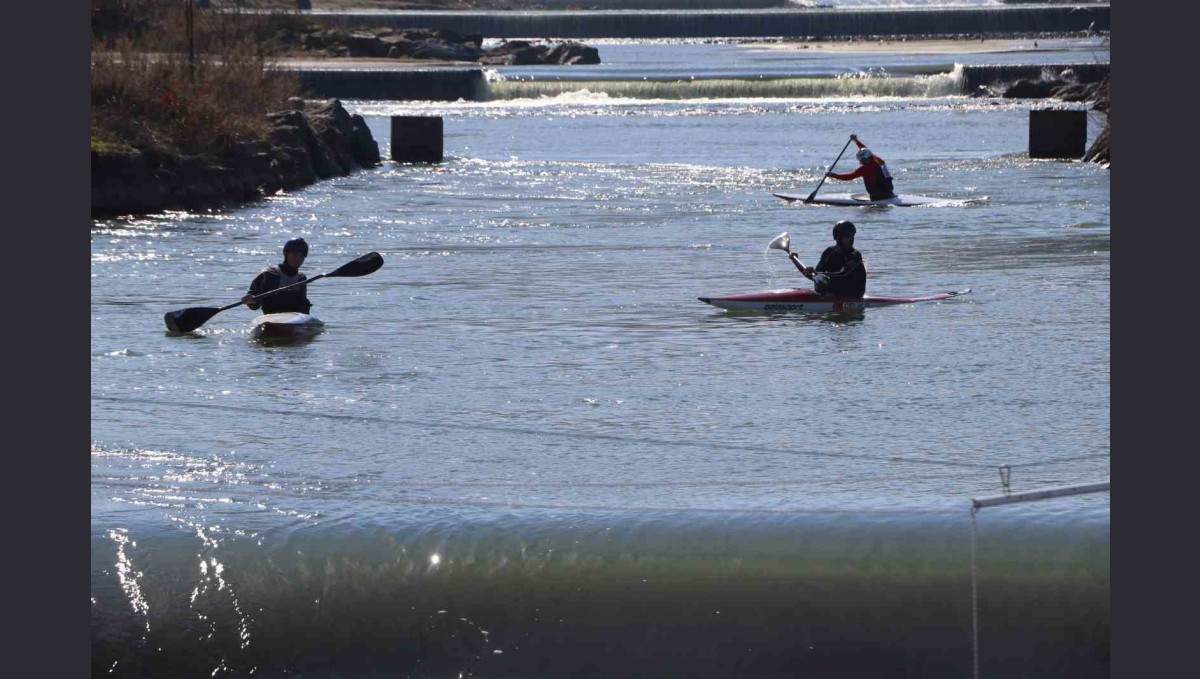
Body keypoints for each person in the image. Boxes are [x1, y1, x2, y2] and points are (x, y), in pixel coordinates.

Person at [241, 237, 313, 314]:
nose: (298, 258)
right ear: (286, 253)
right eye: (295, 254)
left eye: (302, 256)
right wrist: (250, 300)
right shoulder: (268, 274)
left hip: (295, 319)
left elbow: (303, 308)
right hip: (273, 319)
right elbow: (254, 306)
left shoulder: (301, 278)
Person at [801, 221, 867, 298]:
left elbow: (843, 274)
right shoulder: (829, 252)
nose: (851, 239)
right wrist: (794, 259)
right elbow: (815, 277)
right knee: (820, 280)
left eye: (852, 235)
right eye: (847, 236)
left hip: (853, 294)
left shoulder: (855, 255)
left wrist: (817, 273)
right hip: (835, 291)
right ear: (837, 237)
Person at [824, 134, 896, 200]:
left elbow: (848, 177)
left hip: (878, 197)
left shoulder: (864, 169)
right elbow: (865, 150)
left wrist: (833, 175)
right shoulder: (879, 160)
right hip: (889, 192)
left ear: (864, 159)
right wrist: (856, 141)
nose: (860, 162)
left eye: (860, 160)